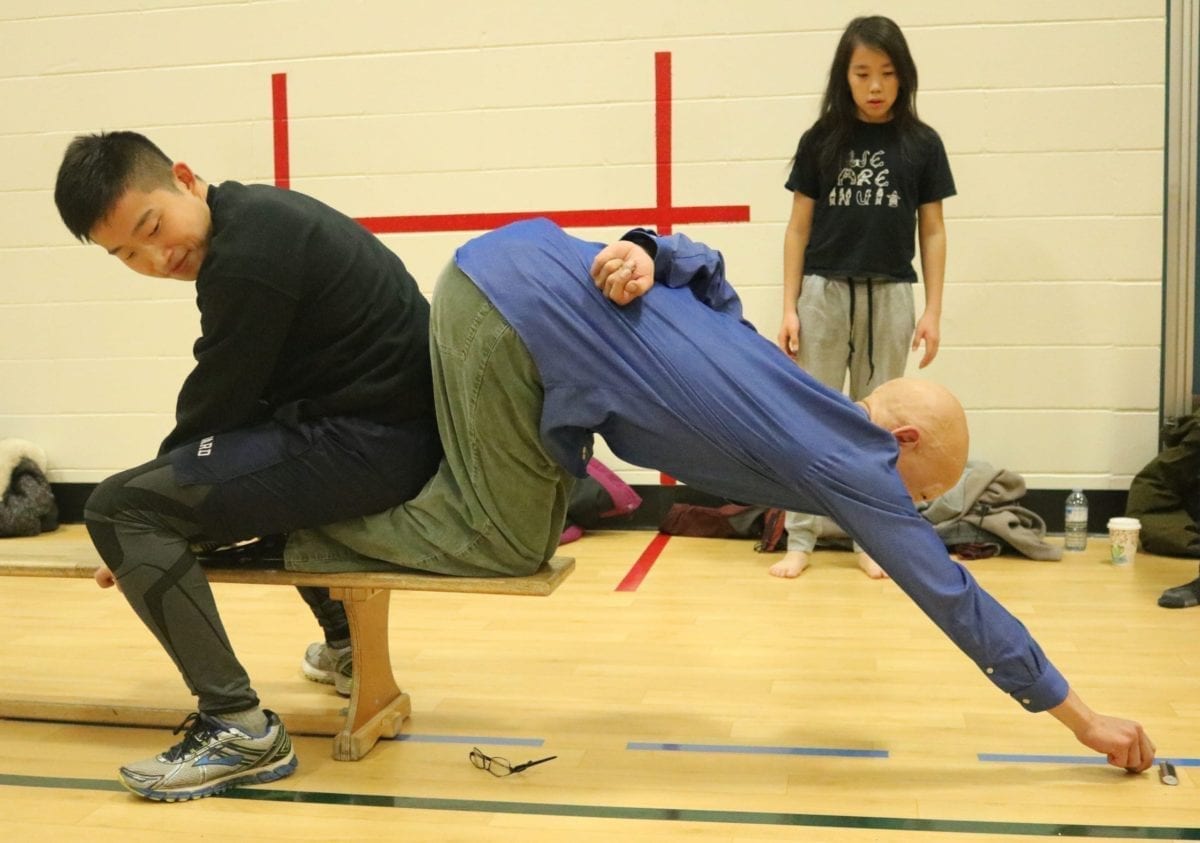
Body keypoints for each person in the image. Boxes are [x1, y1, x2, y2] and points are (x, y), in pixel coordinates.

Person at [285, 217, 1156, 776]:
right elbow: (954, 597)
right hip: (505, 315)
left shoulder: (790, 379)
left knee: (539, 512)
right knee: (506, 544)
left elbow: (705, 269)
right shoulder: (851, 462)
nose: (910, 513)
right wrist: (1080, 717)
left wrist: (648, 247)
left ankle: (330, 522)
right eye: (917, 494)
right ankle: (297, 528)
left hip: (511, 269)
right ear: (902, 442)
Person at [53, 131, 443, 801]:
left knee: (118, 507)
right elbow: (236, 403)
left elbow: (216, 398)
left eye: (152, 226)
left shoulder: (249, 252)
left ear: (183, 176)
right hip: (382, 435)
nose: (155, 255)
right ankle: (348, 647)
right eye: (127, 254)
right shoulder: (255, 220)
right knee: (210, 476)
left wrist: (143, 520)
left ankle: (238, 727)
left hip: (373, 443)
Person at [774, 16, 955, 580]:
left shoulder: (922, 144)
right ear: (844, 77)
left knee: (877, 428)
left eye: (886, 73)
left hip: (893, 291)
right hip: (824, 291)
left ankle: (868, 539)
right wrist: (788, 306)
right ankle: (799, 536)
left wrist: (932, 309)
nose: (875, 86)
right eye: (862, 73)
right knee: (816, 417)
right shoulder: (820, 140)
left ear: (903, 78)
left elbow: (933, 230)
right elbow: (798, 228)